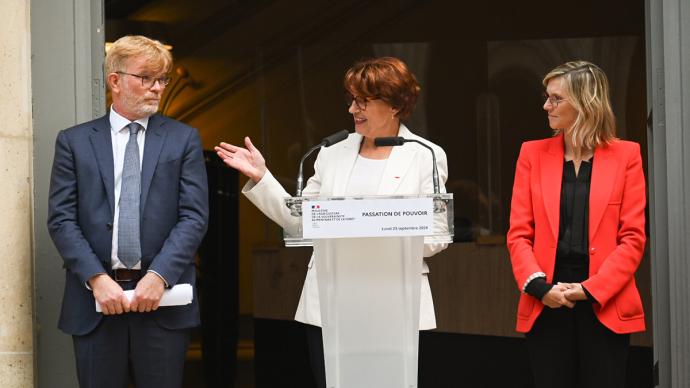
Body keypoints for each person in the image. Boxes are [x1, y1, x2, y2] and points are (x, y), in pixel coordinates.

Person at [215, 56, 448, 387]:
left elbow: (437, 236)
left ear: (395, 104)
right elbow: (301, 223)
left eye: (363, 101)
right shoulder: (331, 152)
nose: (353, 109)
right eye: (351, 99)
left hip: (394, 304)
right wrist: (262, 177)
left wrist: (378, 228)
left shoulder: (425, 154)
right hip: (330, 303)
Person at [47, 35, 209, 388]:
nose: (157, 88)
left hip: (162, 300)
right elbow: (61, 218)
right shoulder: (74, 142)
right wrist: (96, 278)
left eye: (162, 79)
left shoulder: (183, 139)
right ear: (115, 80)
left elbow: (194, 216)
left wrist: (160, 275)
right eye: (146, 78)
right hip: (97, 302)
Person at [506, 60, 646, 388]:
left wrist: (589, 289)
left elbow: (633, 238)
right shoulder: (531, 153)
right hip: (547, 297)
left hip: (604, 299)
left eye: (556, 99)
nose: (546, 105)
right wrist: (540, 288)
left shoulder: (627, 155)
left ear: (585, 103)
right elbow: (519, 233)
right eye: (547, 97)